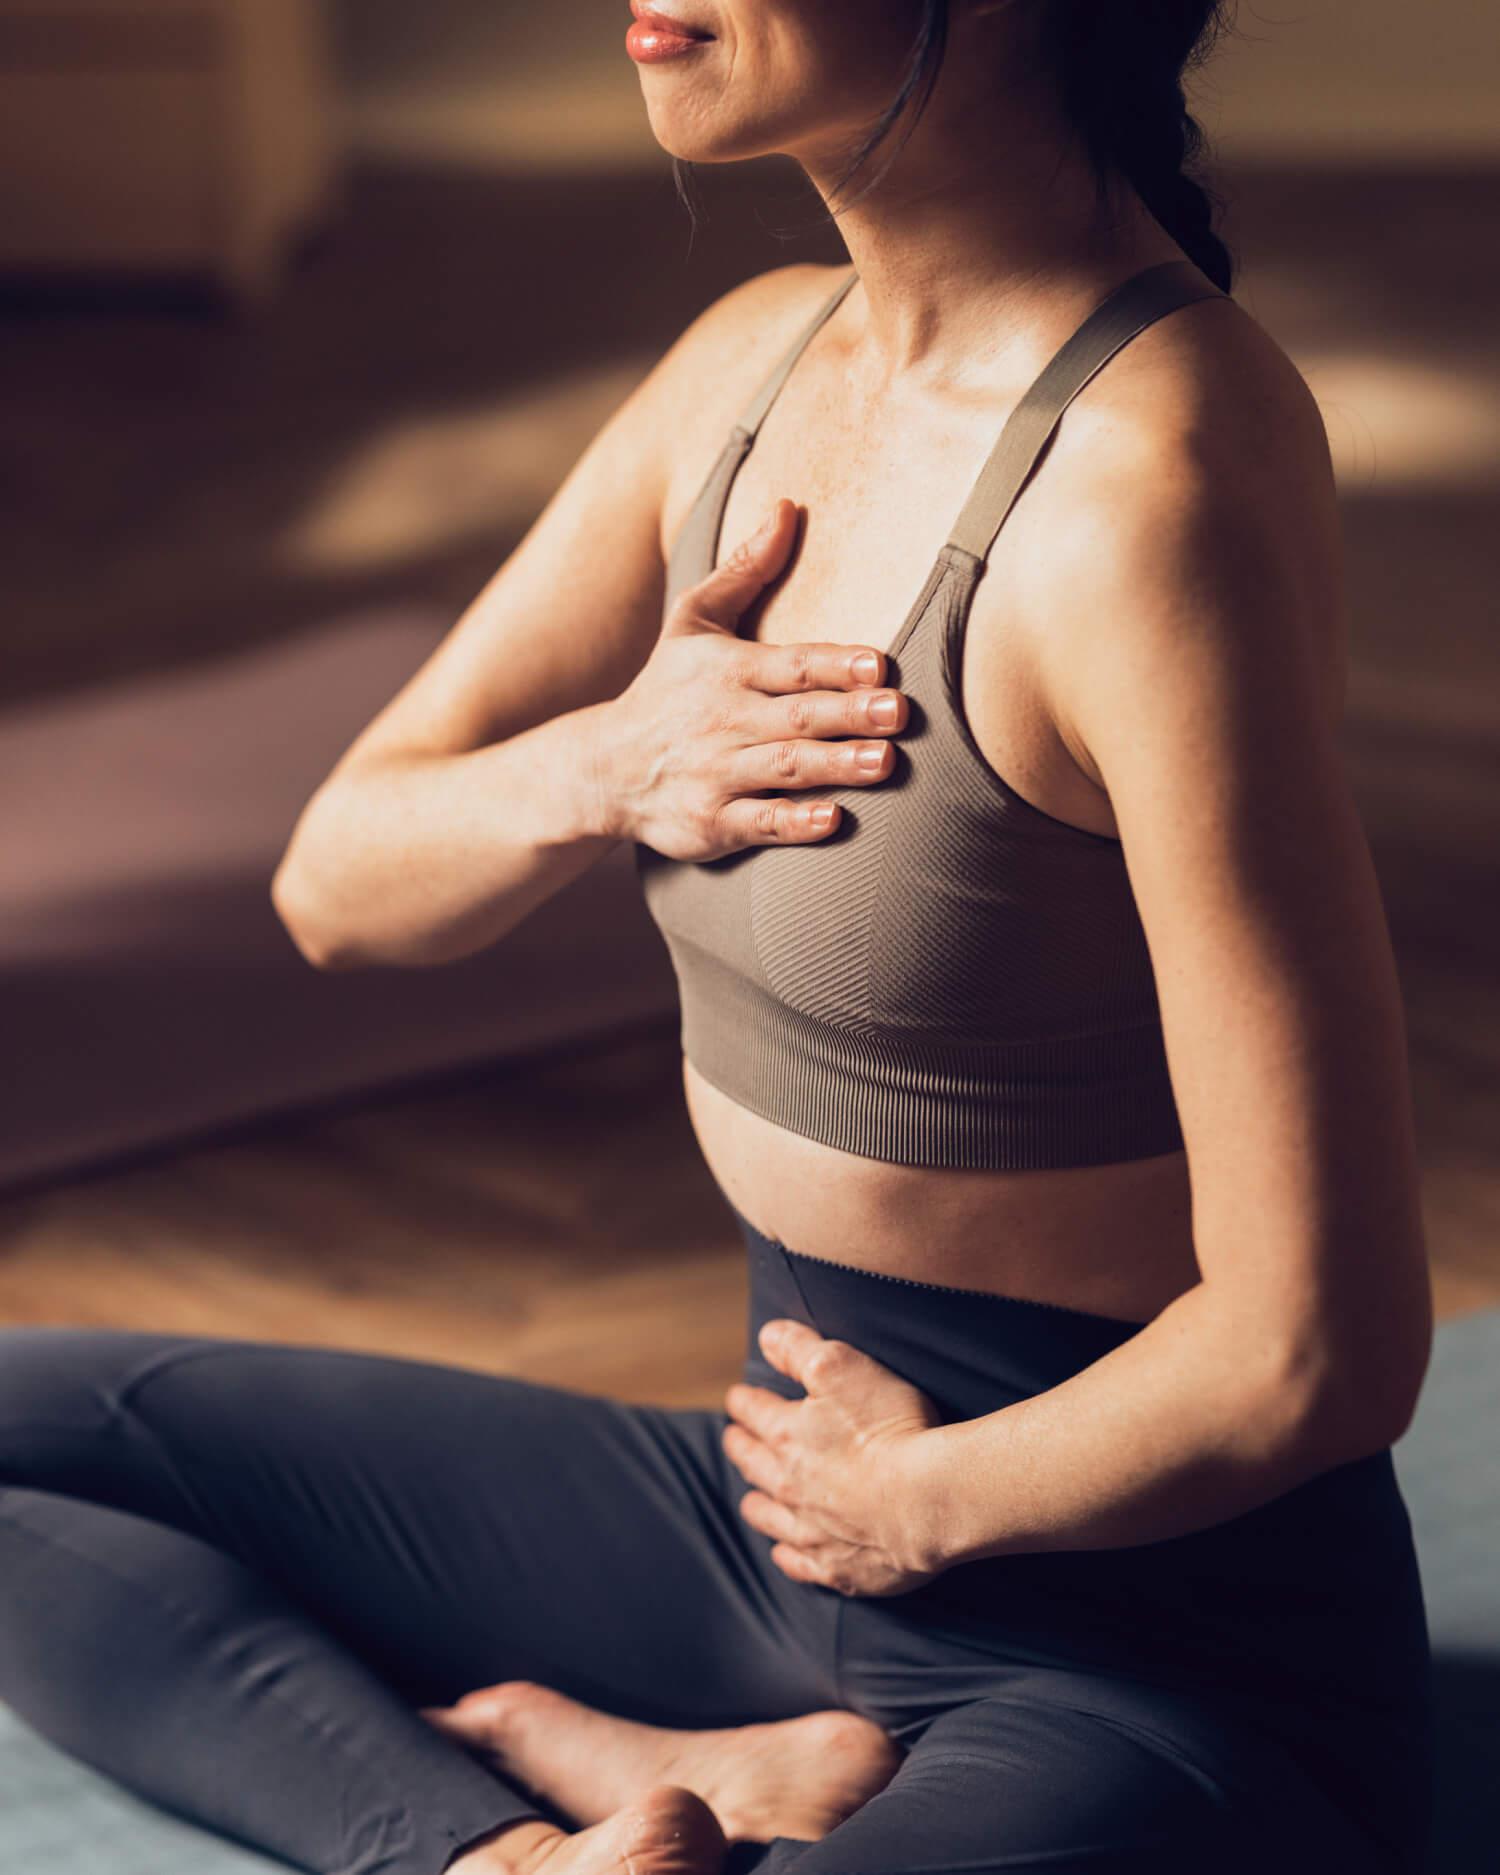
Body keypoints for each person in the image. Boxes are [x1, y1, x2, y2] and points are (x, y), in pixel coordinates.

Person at [0, 4, 1434, 1874]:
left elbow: (1316, 1347)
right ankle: (504, 1849)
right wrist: (607, 762)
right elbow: (338, 885)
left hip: (1139, 1646)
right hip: (774, 1512)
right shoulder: (749, 373)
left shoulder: (1145, 486)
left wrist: (918, 1506)